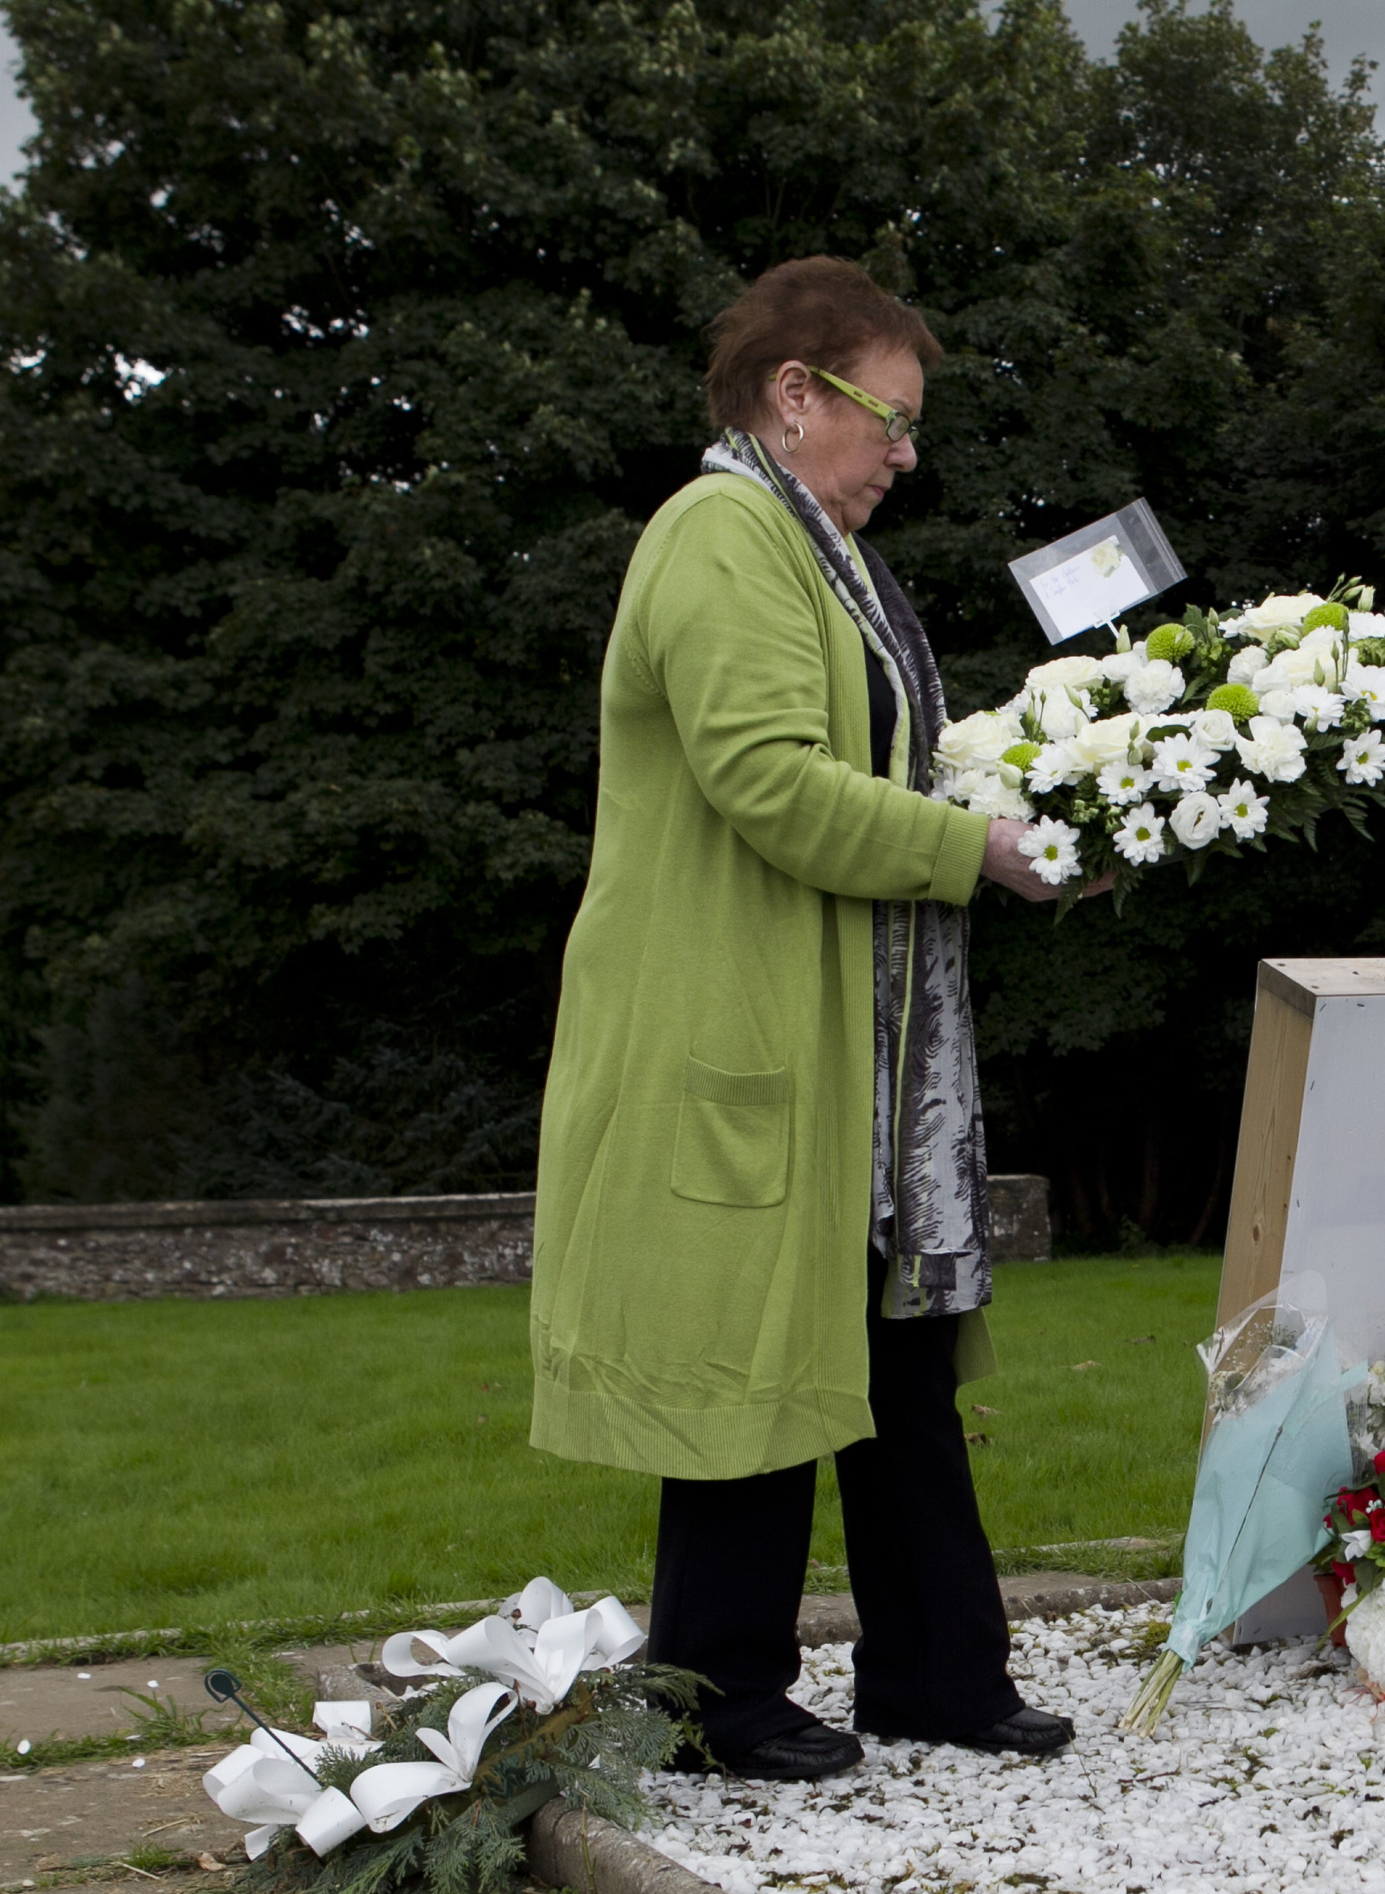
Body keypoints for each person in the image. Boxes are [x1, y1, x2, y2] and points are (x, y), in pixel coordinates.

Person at [527, 257, 1080, 1778]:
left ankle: (939, 1676)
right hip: (747, 1027)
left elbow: (883, 763)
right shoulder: (722, 535)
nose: (907, 456)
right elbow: (769, 782)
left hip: (862, 1044)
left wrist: (1062, 806)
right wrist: (970, 848)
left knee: (893, 1357)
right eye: (890, 422)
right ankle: (718, 1699)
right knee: (748, 1375)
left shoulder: (820, 551)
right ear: (793, 395)